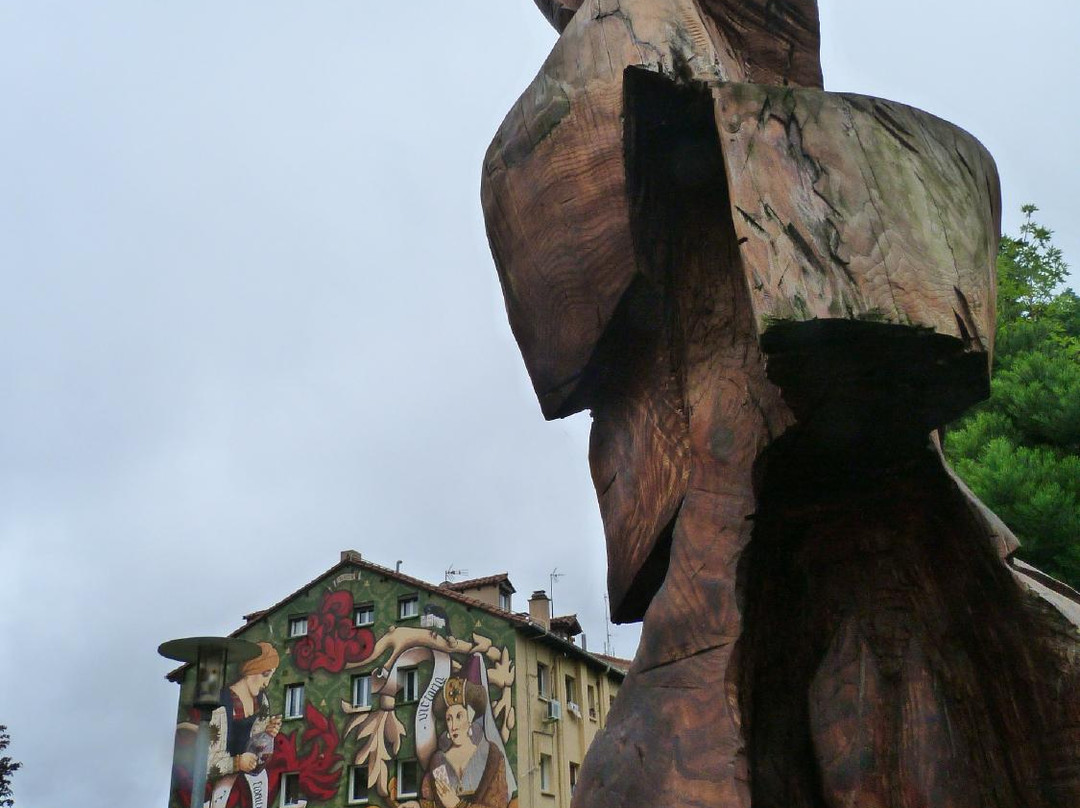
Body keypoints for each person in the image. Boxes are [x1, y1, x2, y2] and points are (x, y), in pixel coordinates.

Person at [420, 676, 508, 808]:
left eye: (459, 716)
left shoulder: (491, 756)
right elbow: (427, 801)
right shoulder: (437, 762)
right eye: (449, 719)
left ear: (470, 718)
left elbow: (498, 804)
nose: (453, 725)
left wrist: (457, 805)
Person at [206, 642, 283, 788]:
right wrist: (237, 763)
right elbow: (209, 763)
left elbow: (256, 747)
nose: (267, 683)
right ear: (251, 668)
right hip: (218, 789)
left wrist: (267, 734)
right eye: (265, 674)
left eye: (270, 677)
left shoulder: (262, 702)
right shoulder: (221, 705)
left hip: (248, 785)